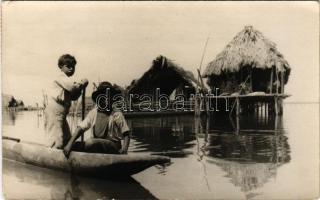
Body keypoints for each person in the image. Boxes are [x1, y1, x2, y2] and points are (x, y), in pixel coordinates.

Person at [63, 82, 130, 158]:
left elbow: (126, 133)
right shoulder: (93, 113)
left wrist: (124, 150)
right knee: (74, 145)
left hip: (112, 146)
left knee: (90, 142)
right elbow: (80, 129)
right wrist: (69, 144)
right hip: (97, 147)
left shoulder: (116, 114)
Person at [44, 54, 88, 149]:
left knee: (67, 139)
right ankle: (52, 153)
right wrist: (81, 83)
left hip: (61, 114)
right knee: (57, 140)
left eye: (73, 66)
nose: (71, 68)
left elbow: (74, 96)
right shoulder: (61, 77)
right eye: (68, 66)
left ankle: (64, 152)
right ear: (61, 66)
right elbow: (72, 87)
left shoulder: (67, 80)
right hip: (55, 112)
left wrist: (81, 87)